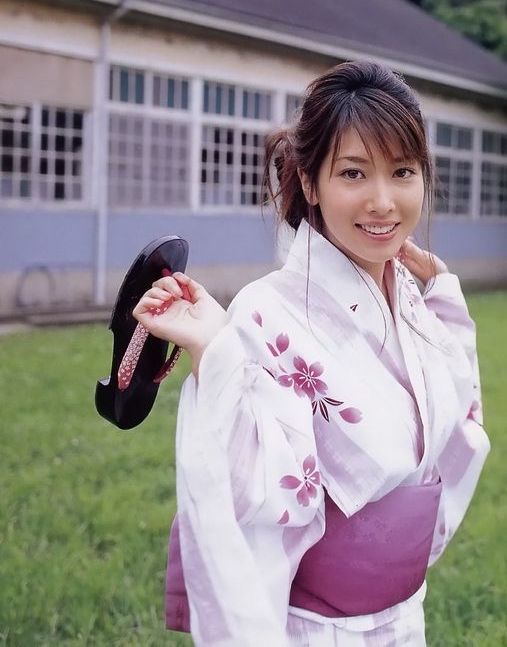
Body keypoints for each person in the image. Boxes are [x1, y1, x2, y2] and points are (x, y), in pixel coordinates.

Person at [133, 61, 490, 646]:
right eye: (354, 173)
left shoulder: (412, 300)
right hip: (317, 628)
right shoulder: (267, 310)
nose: (383, 201)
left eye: (403, 171)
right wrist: (215, 353)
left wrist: (442, 301)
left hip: (404, 617)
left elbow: (457, 422)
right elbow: (259, 482)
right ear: (308, 182)